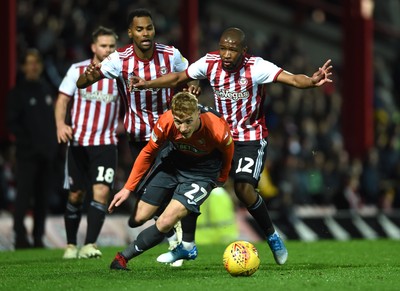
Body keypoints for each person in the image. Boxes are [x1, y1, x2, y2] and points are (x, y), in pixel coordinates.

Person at [130, 27, 333, 265]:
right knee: (191, 181)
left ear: (243, 51)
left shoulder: (256, 67)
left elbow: (290, 78)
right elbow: (178, 77)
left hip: (250, 138)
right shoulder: (210, 62)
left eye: (232, 49)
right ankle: (187, 246)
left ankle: (272, 236)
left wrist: (310, 81)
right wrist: (147, 84)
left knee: (243, 189)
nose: (226, 54)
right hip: (219, 137)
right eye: (223, 48)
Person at [76, 8, 199, 265]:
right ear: (130, 32)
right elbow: (85, 82)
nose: (146, 33)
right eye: (140, 29)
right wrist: (85, 79)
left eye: (149, 28)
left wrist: (193, 83)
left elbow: (189, 73)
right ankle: (174, 236)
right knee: (146, 193)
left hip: (169, 133)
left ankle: (180, 240)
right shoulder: (119, 59)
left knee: (172, 185)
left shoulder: (171, 54)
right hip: (138, 135)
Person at [107, 91, 234, 270]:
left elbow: (228, 153)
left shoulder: (217, 128)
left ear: (198, 113)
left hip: (202, 173)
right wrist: (128, 188)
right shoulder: (166, 121)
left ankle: (122, 258)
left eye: (188, 121)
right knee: (138, 218)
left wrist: (221, 177)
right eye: (178, 121)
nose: (183, 128)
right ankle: (174, 222)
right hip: (174, 164)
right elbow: (148, 152)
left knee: (165, 222)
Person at [55, 26, 120, 259]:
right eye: (104, 45)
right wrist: (61, 125)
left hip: (105, 143)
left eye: (112, 46)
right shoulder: (77, 70)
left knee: (101, 192)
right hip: (79, 143)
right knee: (76, 194)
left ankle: (89, 244)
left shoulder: (120, 73)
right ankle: (71, 245)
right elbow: (62, 100)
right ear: (94, 47)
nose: (108, 50)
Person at [6, 48, 59, 249]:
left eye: (36, 62)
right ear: (23, 67)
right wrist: (27, 144)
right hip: (27, 155)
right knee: (23, 196)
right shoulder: (17, 93)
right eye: (29, 62)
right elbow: (12, 124)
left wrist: (52, 147)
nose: (34, 66)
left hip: (47, 155)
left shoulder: (46, 90)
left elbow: (52, 122)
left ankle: (38, 237)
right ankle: (20, 237)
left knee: (42, 198)